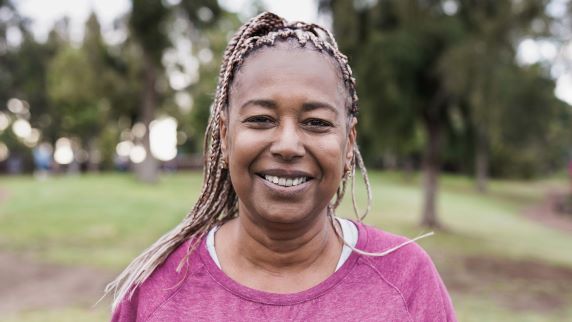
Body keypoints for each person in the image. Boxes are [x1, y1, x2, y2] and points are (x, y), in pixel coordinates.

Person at [107, 12, 456, 321]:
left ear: (349, 143)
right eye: (261, 119)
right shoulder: (156, 289)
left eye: (316, 122)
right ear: (226, 136)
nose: (288, 145)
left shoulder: (407, 279)